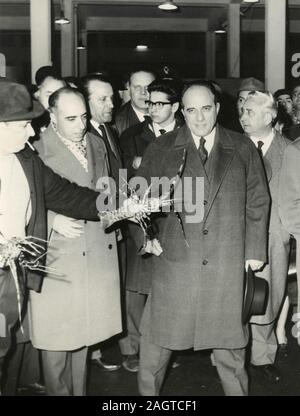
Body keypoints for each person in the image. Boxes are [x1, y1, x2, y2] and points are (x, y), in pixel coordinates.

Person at [136, 80, 270, 396]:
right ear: (182, 112)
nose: (199, 118)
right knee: (155, 349)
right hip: (175, 265)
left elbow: (258, 200)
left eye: (206, 108)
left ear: (218, 108)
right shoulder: (162, 148)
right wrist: (148, 235)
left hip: (226, 264)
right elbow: (138, 200)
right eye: (191, 110)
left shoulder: (242, 147)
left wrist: (254, 250)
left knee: (231, 351)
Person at [0, 80, 104, 393]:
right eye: (22, 126)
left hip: (11, 278)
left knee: (2, 348)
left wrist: (120, 203)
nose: (31, 133)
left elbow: (66, 194)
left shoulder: (26, 159)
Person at [29, 87, 122, 395]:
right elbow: (27, 200)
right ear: (52, 117)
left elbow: (105, 193)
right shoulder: (36, 149)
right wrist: (53, 220)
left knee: (84, 333)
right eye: (70, 118)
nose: (80, 124)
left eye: (83, 116)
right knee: (56, 337)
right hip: (59, 255)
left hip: (95, 248)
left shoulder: (96, 142)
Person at [117, 78, 183, 372]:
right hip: (140, 219)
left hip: (177, 220)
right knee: (136, 288)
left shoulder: (188, 135)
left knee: (168, 288)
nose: (152, 107)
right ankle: (133, 349)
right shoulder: (131, 136)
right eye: (150, 102)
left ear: (176, 107)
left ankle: (166, 348)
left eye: (160, 103)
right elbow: (121, 181)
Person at [239, 91, 290, 382]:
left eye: (249, 112)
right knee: (235, 297)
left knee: (269, 297)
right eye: (242, 111)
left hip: (274, 236)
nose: (243, 117)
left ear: (270, 116)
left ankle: (263, 356)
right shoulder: (232, 146)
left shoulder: (290, 151)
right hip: (236, 234)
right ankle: (228, 353)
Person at [115, 69, 155, 136]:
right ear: (129, 89)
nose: (143, 92)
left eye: (148, 88)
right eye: (137, 87)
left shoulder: (170, 116)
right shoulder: (115, 123)